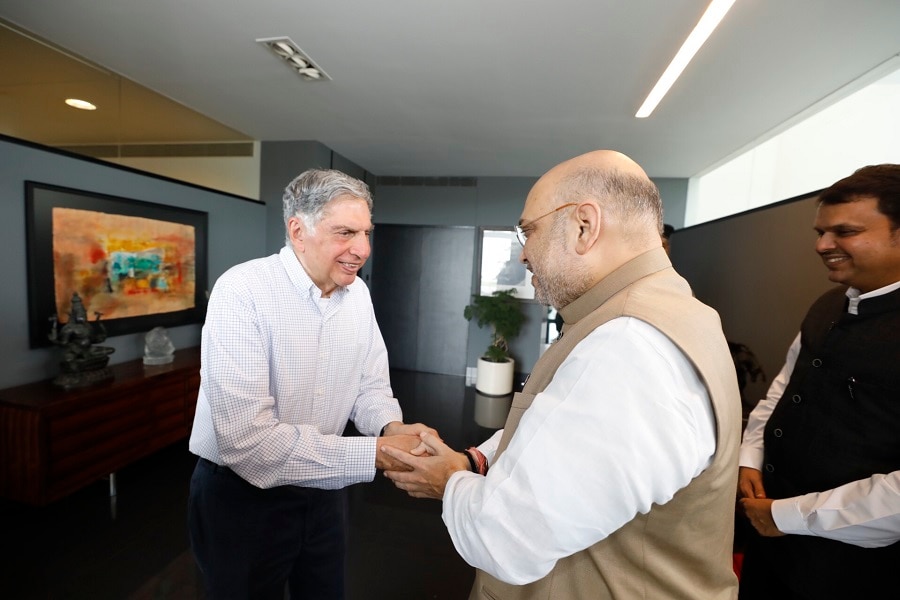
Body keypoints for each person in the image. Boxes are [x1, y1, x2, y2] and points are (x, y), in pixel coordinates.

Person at [383, 150, 742, 599]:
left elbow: (507, 538)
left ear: (583, 226)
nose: (523, 255)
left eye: (528, 231)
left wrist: (449, 482)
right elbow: (556, 433)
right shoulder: (664, 314)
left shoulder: (630, 347)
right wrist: (475, 463)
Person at [187, 168, 435, 599]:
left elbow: (369, 385)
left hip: (324, 490)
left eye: (365, 233)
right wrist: (375, 454)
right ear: (298, 230)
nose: (362, 249)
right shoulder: (242, 291)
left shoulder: (357, 295)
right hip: (241, 498)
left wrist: (390, 429)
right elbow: (248, 442)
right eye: (345, 233)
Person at [737, 164, 900, 599]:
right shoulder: (828, 303)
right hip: (771, 546)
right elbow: (784, 387)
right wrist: (750, 455)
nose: (822, 245)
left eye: (844, 232)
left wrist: (790, 516)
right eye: (821, 231)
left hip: (854, 570)